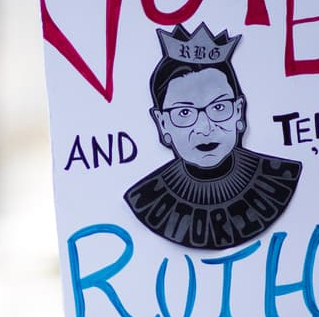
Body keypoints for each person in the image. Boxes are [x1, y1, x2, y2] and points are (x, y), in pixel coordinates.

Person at [122, 22, 302, 251]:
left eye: (218, 107)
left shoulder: (280, 179)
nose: (205, 128)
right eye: (184, 113)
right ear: (162, 123)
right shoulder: (146, 199)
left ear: (239, 111)